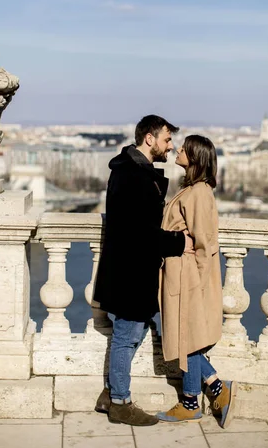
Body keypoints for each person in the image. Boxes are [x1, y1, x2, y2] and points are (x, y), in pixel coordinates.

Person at [93, 115, 194, 426]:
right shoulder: (132, 176)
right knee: (127, 335)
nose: (170, 145)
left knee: (129, 334)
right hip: (131, 273)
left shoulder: (131, 171)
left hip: (129, 270)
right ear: (149, 139)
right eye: (166, 139)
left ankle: (110, 393)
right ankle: (121, 403)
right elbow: (140, 232)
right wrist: (178, 241)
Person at [156, 135, 237, 428]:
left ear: (196, 158)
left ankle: (193, 401)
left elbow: (203, 241)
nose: (178, 150)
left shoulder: (199, 193)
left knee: (186, 337)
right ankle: (214, 389)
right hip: (182, 271)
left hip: (189, 275)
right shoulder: (192, 190)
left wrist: (200, 284)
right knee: (186, 337)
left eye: (184, 149)